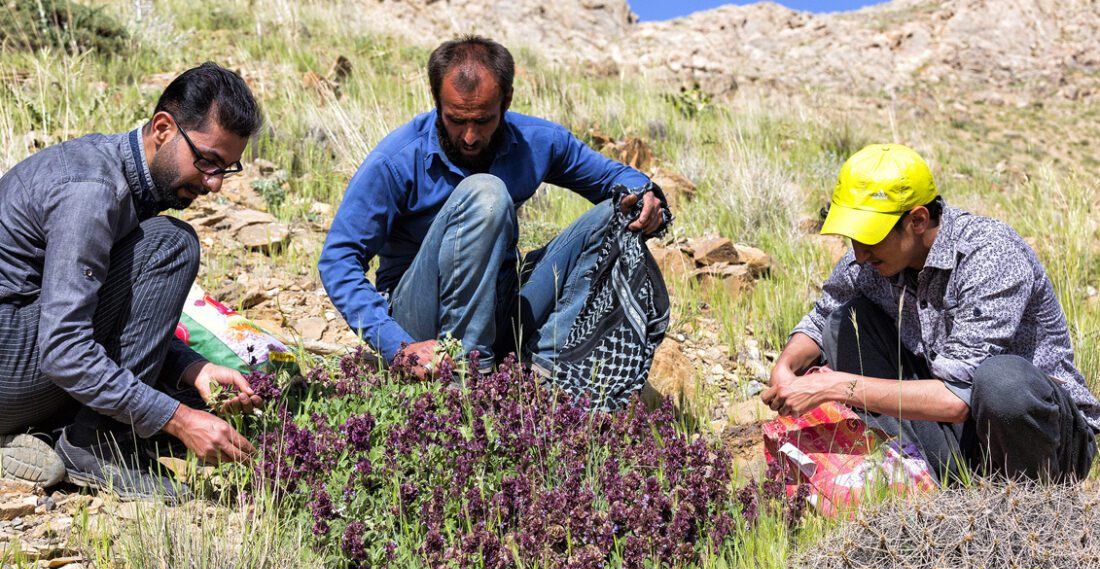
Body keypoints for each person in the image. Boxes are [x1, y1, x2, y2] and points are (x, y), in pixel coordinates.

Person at [318, 35, 667, 380]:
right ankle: (465, 373)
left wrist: (647, 196)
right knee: (486, 193)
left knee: (618, 213)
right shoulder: (395, 160)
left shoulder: (538, 141)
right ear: (436, 101)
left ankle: (542, 369)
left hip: (500, 307)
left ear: (507, 100)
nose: (469, 137)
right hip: (421, 320)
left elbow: (619, 179)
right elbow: (339, 260)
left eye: (483, 121)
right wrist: (396, 344)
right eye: (456, 119)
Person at [0, 62, 265, 501]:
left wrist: (190, 367)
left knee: (209, 408)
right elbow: (64, 349)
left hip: (19, 352)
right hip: (8, 365)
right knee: (170, 244)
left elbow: (105, 312)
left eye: (226, 169)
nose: (214, 184)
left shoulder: (127, 178)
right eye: (207, 161)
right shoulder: (92, 192)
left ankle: (54, 434)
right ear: (163, 127)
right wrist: (179, 420)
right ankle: (94, 447)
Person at [762, 143, 1099, 482]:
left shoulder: (990, 256)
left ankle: (1029, 510)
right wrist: (786, 365)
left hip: (1041, 439)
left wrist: (834, 386)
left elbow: (957, 397)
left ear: (918, 220)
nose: (860, 253)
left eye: (870, 237)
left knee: (1002, 382)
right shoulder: (869, 260)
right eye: (853, 237)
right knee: (843, 325)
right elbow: (822, 318)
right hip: (956, 432)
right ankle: (933, 483)